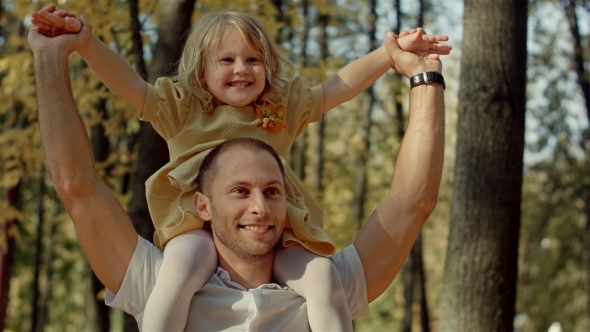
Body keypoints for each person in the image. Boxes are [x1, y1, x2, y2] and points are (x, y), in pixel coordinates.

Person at [30, 5, 450, 332]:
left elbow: (339, 89)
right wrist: (82, 46)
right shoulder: (182, 110)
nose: (241, 70)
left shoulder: (280, 109)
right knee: (179, 270)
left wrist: (393, 59)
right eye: (226, 60)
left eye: (253, 60)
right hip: (190, 233)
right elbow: (120, 101)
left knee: (322, 277)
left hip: (288, 246)